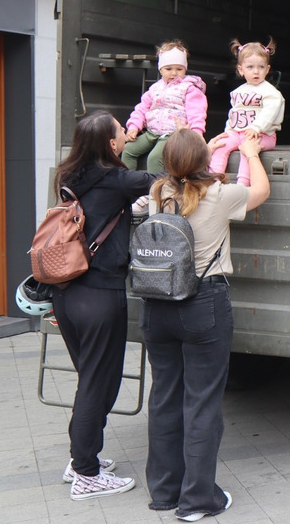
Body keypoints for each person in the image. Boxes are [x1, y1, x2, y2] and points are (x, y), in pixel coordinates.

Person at [141, 128, 271, 520]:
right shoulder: (218, 195)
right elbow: (261, 192)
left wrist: (199, 153)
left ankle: (164, 492)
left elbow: (182, 177)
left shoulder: (158, 193)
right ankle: (198, 501)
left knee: (164, 397)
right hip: (203, 303)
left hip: (157, 303)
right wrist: (249, 154)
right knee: (202, 402)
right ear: (202, 161)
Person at [51, 111, 159, 500]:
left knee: (89, 381)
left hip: (65, 294)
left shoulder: (67, 177)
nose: (127, 136)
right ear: (110, 145)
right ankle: (86, 473)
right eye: (121, 133)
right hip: (99, 296)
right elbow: (166, 178)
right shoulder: (117, 179)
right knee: (99, 385)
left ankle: (80, 459)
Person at [208, 37, 285, 187]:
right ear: (240, 70)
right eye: (250, 67)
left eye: (261, 67)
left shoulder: (271, 93)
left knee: (247, 151)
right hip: (238, 133)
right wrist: (228, 131)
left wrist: (256, 128)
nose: (256, 71)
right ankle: (213, 180)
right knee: (220, 146)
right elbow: (234, 114)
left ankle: (242, 184)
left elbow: (269, 113)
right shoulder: (238, 92)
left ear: (267, 69)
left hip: (263, 135)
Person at [123, 40, 209, 173]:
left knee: (155, 158)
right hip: (151, 132)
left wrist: (196, 133)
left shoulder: (189, 88)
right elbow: (141, 108)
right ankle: (127, 183)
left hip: (173, 134)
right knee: (128, 150)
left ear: (185, 69)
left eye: (179, 69)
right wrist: (134, 126)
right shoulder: (155, 88)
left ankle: (155, 191)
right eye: (169, 69)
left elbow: (197, 112)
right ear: (160, 69)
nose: (174, 73)